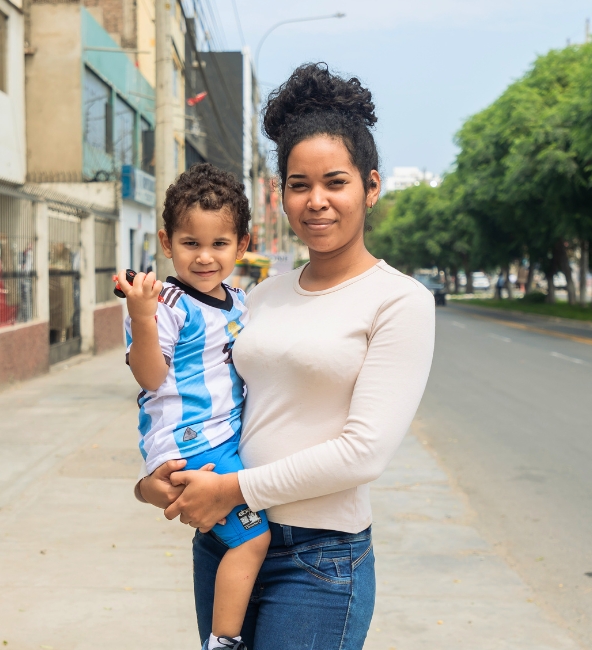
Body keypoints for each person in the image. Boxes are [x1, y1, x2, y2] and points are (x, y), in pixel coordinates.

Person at [136, 63, 436, 649]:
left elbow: (363, 453)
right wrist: (154, 482)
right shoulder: (258, 296)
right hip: (228, 538)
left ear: (371, 187)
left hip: (319, 558)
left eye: (336, 182)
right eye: (299, 184)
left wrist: (234, 489)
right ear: (282, 195)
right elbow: (184, 396)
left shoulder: (400, 301)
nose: (316, 201)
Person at [117, 164, 271, 650]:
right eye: (190, 244)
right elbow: (150, 376)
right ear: (167, 242)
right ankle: (223, 641)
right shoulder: (163, 304)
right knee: (252, 540)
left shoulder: (239, 300)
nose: (205, 257)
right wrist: (141, 318)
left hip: (219, 436)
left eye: (219, 244)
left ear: (242, 245)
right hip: (194, 440)